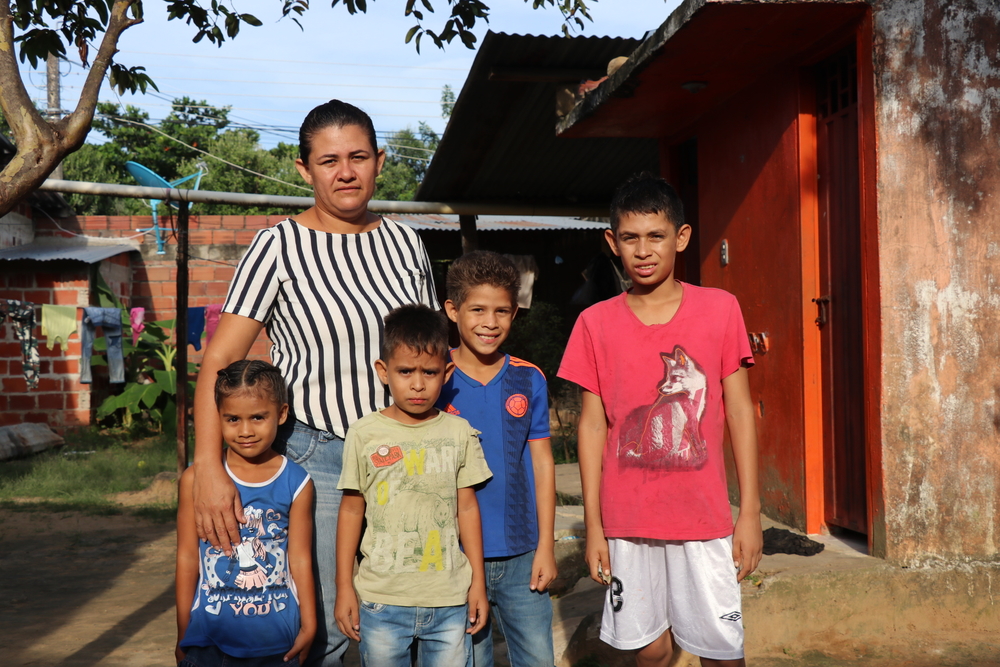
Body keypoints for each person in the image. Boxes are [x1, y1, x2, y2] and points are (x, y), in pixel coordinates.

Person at [191, 99, 439, 667]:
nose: (345, 172)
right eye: (328, 161)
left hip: (407, 457)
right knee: (320, 629)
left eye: (358, 157)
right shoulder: (277, 246)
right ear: (305, 170)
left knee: (411, 618)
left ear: (380, 161)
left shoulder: (406, 243)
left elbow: (428, 353)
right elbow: (219, 360)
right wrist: (209, 467)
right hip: (320, 456)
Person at [556, 173, 763, 667]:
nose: (643, 250)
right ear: (612, 242)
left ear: (681, 237)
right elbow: (591, 426)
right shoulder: (595, 323)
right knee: (649, 651)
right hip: (627, 521)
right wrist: (595, 527)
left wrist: (750, 511)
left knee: (721, 652)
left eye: (656, 236)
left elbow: (738, 410)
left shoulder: (719, 309)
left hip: (704, 518)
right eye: (630, 238)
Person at [334, 304, 493, 666]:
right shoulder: (363, 434)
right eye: (405, 371)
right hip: (382, 600)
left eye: (430, 372)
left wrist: (477, 583)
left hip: (450, 598)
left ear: (447, 372)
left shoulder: (458, 432)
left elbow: (467, 507)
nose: (418, 384)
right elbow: (351, 510)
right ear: (383, 371)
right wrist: (344, 585)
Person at [436, 250, 558, 667]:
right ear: (453, 310)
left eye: (502, 310)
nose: (490, 322)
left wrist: (546, 545)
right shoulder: (433, 380)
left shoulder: (529, 378)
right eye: (478, 309)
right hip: (452, 557)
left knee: (538, 658)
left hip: (523, 552)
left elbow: (542, 464)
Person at [176, 360, 316, 667]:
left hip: (278, 643)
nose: (245, 430)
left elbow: (301, 559)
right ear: (219, 418)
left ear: (281, 413)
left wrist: (310, 623)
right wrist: (183, 632)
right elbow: (187, 556)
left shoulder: (297, 482)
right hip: (208, 643)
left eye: (257, 417)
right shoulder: (194, 481)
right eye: (232, 419)